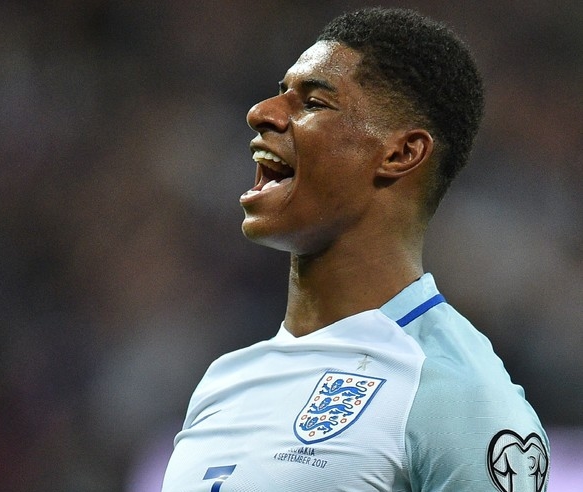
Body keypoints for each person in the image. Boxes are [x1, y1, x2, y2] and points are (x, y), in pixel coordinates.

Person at [161, 7, 549, 492]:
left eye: (313, 103)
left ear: (401, 153)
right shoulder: (225, 382)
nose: (262, 112)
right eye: (281, 92)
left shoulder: (456, 395)